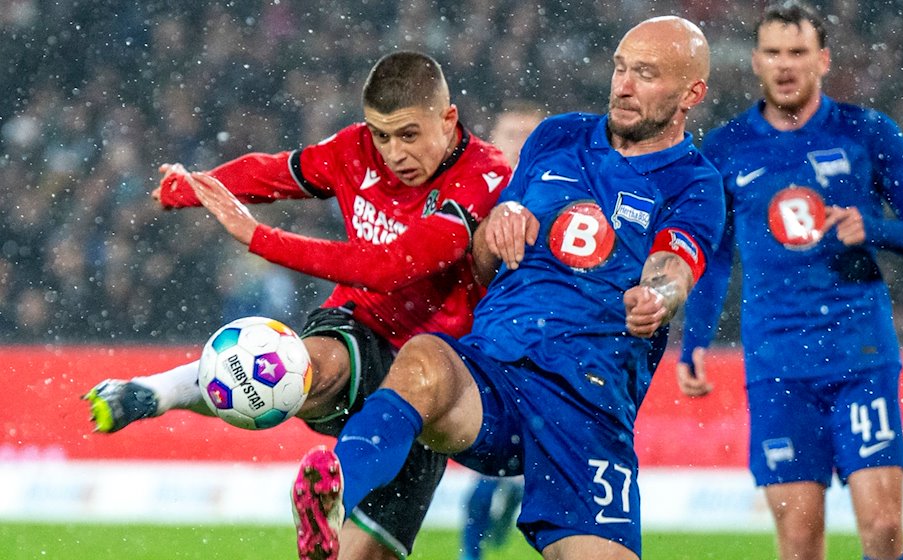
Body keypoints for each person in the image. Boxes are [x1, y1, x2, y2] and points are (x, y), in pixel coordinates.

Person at [292, 16, 724, 560]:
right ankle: (333, 498)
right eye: (620, 68)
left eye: (645, 73)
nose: (623, 85)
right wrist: (497, 228)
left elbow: (674, 265)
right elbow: (482, 253)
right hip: (496, 369)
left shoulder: (695, 181)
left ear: (692, 93)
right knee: (425, 359)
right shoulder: (557, 136)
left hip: (586, 404)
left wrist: (658, 297)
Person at [84, 50, 511, 560]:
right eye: (381, 134)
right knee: (304, 367)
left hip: (437, 373)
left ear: (448, 119)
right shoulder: (354, 150)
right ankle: (155, 393)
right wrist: (198, 188)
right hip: (362, 326)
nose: (393, 152)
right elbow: (271, 173)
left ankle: (327, 505)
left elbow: (394, 265)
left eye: (408, 135)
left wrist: (259, 237)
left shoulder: (484, 175)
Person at [675, 4, 903, 560]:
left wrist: (870, 228)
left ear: (822, 60)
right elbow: (715, 257)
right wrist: (695, 340)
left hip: (859, 354)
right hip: (778, 364)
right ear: (755, 61)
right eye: (773, 52)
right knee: (799, 545)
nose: (785, 65)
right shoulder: (726, 149)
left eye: (797, 52)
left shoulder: (867, 132)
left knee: (884, 529)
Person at [457, 101, 544, 560]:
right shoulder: (472, 194)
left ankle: (511, 496)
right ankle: (470, 551)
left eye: (529, 134)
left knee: (518, 457)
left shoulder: (554, 198)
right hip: (478, 334)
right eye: (511, 133)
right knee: (484, 461)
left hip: (534, 343)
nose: (519, 143)